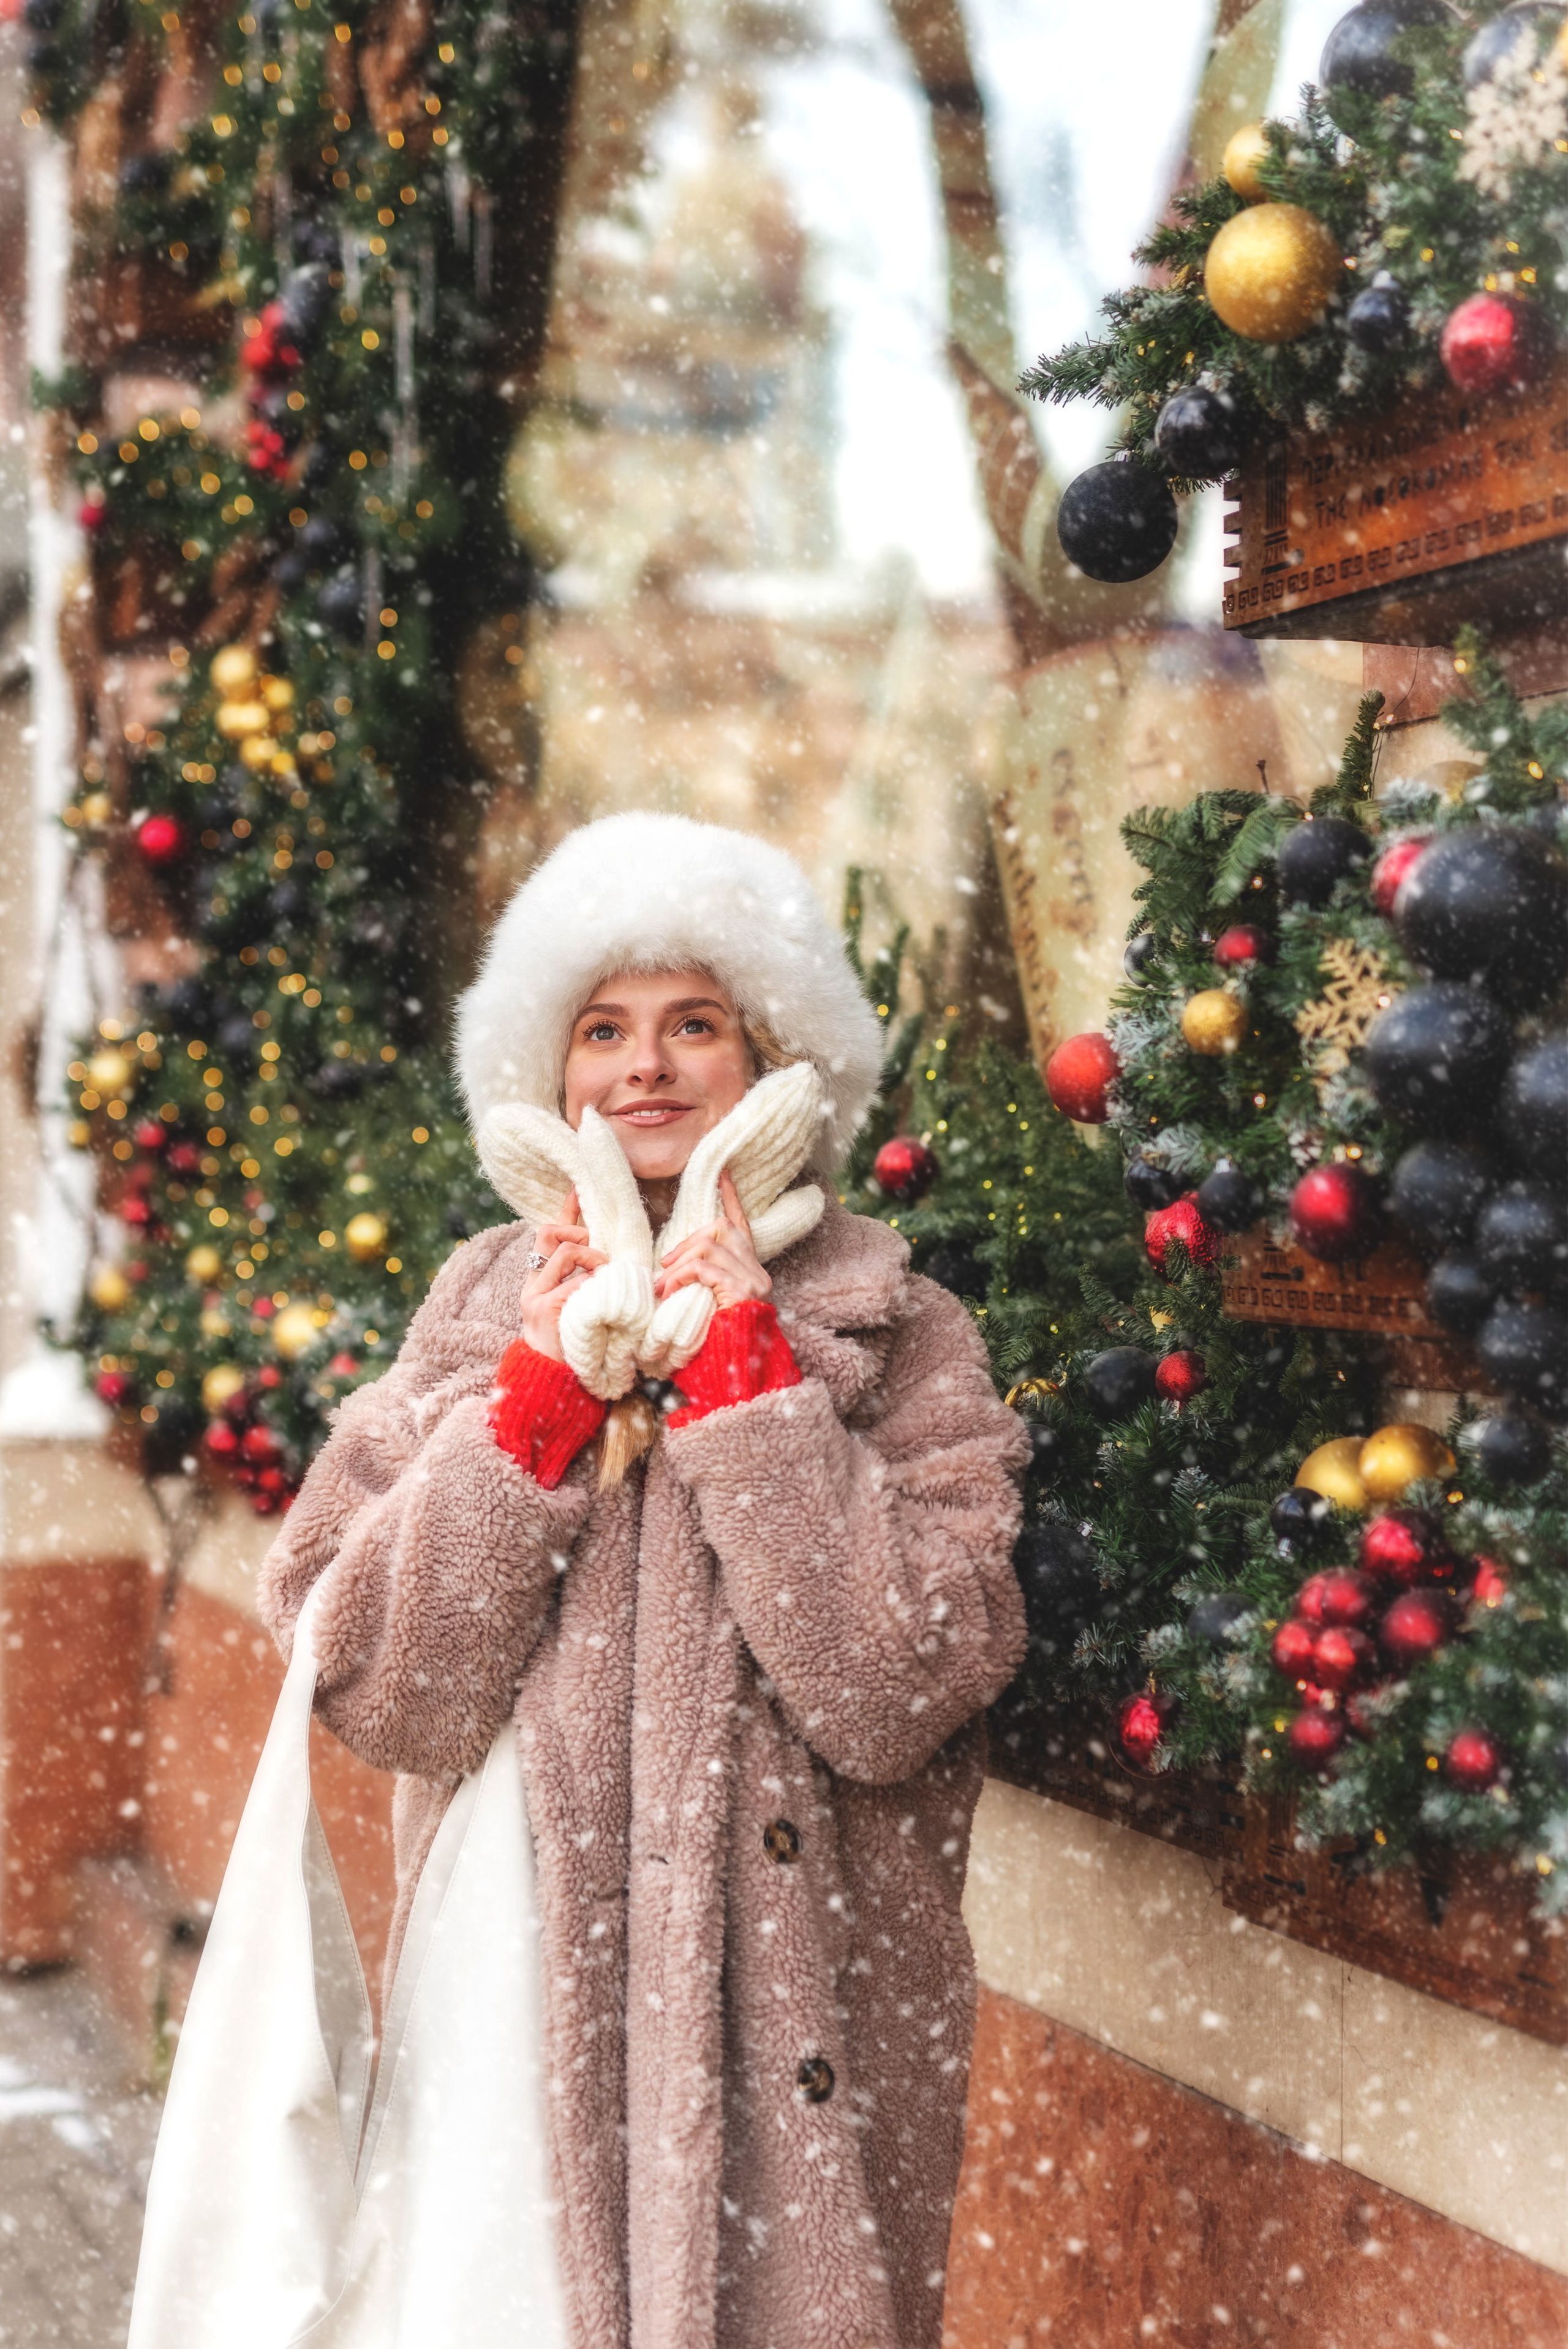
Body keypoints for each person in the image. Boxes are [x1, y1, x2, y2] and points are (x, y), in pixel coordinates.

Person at [258, 810, 1028, 2349]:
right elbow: (372, 1679)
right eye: (602, 1028)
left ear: (778, 1059)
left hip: (790, 1990)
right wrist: (530, 1415)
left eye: (696, 1025)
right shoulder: (483, 1306)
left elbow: (897, 1684)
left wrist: (751, 1397)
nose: (646, 1067)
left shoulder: (896, 1324)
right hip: (514, 1971)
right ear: (549, 1073)